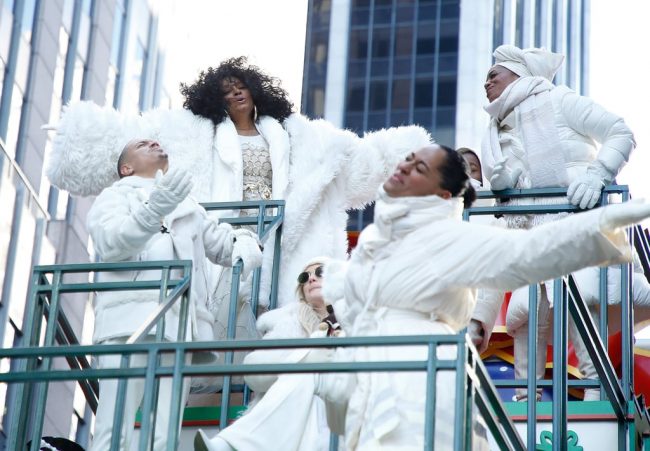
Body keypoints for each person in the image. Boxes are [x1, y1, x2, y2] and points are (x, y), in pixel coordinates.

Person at [46, 57, 432, 329]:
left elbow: (352, 159)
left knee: (283, 323)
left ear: (256, 90)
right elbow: (128, 145)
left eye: (240, 87)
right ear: (214, 101)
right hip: (224, 239)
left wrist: (413, 158)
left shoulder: (301, 135)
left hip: (283, 239)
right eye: (226, 93)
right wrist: (79, 139)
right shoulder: (190, 134)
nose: (235, 95)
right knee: (221, 322)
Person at [316, 144, 650, 450]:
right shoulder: (376, 239)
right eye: (408, 158)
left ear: (443, 195)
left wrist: (606, 221)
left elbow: (527, 251)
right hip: (368, 378)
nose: (406, 166)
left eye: (420, 168)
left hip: (419, 379)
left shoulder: (448, 235)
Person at [474, 44, 636, 400]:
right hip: (529, 237)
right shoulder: (495, 134)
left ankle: (598, 403)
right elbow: (500, 227)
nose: (486, 84)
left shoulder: (561, 101)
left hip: (573, 230)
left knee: (581, 319)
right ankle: (524, 402)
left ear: (517, 73)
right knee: (526, 320)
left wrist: (597, 175)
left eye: (493, 75)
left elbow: (620, 133)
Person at [86, 139, 262, 451]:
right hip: (128, 322)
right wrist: (155, 208)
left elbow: (220, 243)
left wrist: (245, 241)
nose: (154, 143)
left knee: (165, 426)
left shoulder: (188, 204)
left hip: (178, 324)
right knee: (114, 422)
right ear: (126, 168)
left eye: (155, 141)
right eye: (142, 144)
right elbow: (111, 243)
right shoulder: (113, 196)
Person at [194, 257, 339, 451]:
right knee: (304, 378)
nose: (311, 279)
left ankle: (233, 444)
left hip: (342, 399)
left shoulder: (357, 316)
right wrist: (305, 361)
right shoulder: (288, 321)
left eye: (320, 272)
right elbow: (255, 370)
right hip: (305, 407)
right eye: (305, 276)